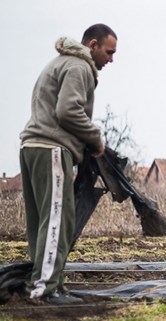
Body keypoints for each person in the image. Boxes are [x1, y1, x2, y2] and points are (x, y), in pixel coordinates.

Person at [19, 24, 117, 304]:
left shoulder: (59, 62)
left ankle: (46, 282)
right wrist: (95, 140)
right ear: (93, 44)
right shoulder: (78, 66)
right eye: (109, 52)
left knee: (42, 221)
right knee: (57, 219)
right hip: (51, 148)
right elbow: (68, 111)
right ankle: (45, 288)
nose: (111, 59)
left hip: (33, 147)